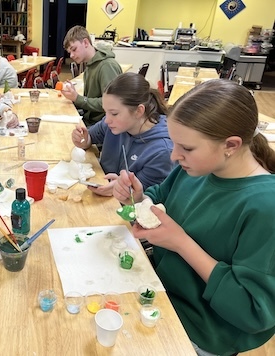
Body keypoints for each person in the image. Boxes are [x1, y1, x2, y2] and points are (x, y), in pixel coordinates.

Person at [113, 79, 275, 356]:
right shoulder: (196, 170)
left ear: (231, 145)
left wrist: (182, 243)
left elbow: (254, 312)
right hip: (160, 292)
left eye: (186, 148)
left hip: (203, 330)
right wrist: (139, 199)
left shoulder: (264, 207)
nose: (174, 157)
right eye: (175, 145)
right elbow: (160, 196)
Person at [71, 72, 174, 196]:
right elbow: (90, 138)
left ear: (139, 111)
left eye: (114, 113)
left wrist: (123, 190)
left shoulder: (162, 151)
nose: (107, 119)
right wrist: (84, 140)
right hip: (104, 190)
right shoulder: (114, 124)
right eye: (106, 112)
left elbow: (145, 197)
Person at [62, 25, 122, 127]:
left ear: (85, 43)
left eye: (74, 49)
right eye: (69, 52)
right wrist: (74, 97)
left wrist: (78, 99)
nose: (71, 55)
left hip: (102, 126)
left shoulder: (107, 66)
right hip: (90, 120)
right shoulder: (90, 64)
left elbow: (112, 104)